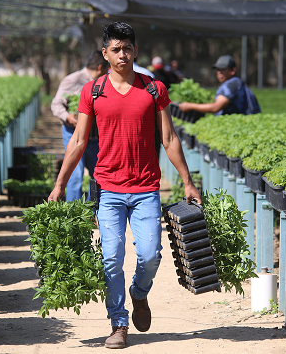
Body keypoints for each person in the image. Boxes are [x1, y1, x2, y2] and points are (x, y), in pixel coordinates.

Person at [48, 21, 201, 349]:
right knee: (111, 258)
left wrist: (188, 181)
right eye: (115, 49)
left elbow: (169, 137)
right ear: (105, 54)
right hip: (108, 189)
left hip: (146, 189)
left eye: (127, 48)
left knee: (150, 255)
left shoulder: (153, 88)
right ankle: (118, 323)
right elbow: (78, 140)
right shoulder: (93, 91)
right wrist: (60, 184)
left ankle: (139, 293)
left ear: (135, 50)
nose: (122, 54)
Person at [50, 51, 109, 201]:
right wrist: (67, 116)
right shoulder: (73, 80)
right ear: (100, 67)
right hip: (73, 133)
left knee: (99, 174)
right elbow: (56, 104)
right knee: (75, 174)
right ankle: (74, 213)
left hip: (95, 137)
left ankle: (92, 209)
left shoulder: (107, 82)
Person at [178, 55, 251, 115]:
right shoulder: (234, 82)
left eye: (223, 69)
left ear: (232, 70)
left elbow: (216, 107)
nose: (219, 72)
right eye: (218, 69)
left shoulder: (232, 85)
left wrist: (190, 106)